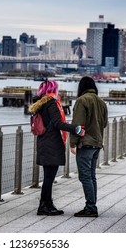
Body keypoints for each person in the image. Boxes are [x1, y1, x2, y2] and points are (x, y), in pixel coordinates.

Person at [29, 79, 85, 216]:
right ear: (53, 89)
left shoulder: (41, 103)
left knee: (48, 176)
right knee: (49, 178)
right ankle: (43, 206)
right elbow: (57, 124)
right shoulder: (52, 103)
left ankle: (48, 204)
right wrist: (76, 129)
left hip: (44, 142)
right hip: (51, 143)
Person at [70, 76, 108, 217]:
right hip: (97, 143)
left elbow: (78, 126)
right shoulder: (101, 101)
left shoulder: (82, 100)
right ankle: (92, 205)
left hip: (85, 144)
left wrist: (73, 143)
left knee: (85, 176)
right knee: (92, 176)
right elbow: (104, 123)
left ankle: (91, 207)